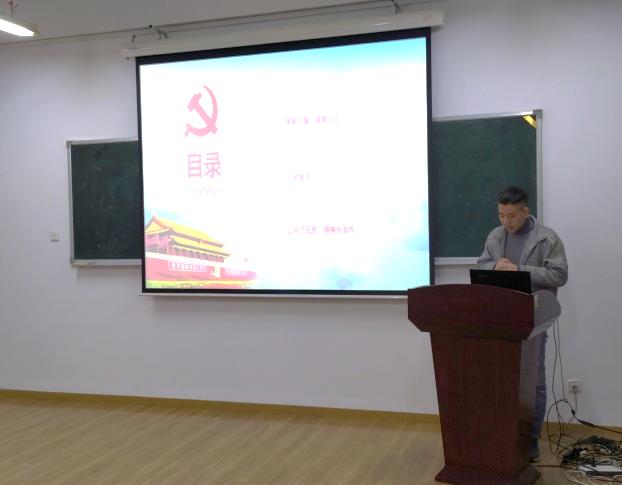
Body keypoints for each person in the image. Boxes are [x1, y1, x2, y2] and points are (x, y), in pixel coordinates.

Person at [477, 186, 568, 462]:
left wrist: (520, 270)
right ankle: (502, 437)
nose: (506, 221)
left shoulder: (547, 238)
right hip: (500, 318)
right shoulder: (495, 236)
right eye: (501, 215)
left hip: (533, 318)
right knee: (501, 379)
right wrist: (494, 267)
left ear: (525, 211)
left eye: (512, 216)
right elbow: (481, 265)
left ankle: (530, 441)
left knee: (533, 381)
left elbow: (559, 275)